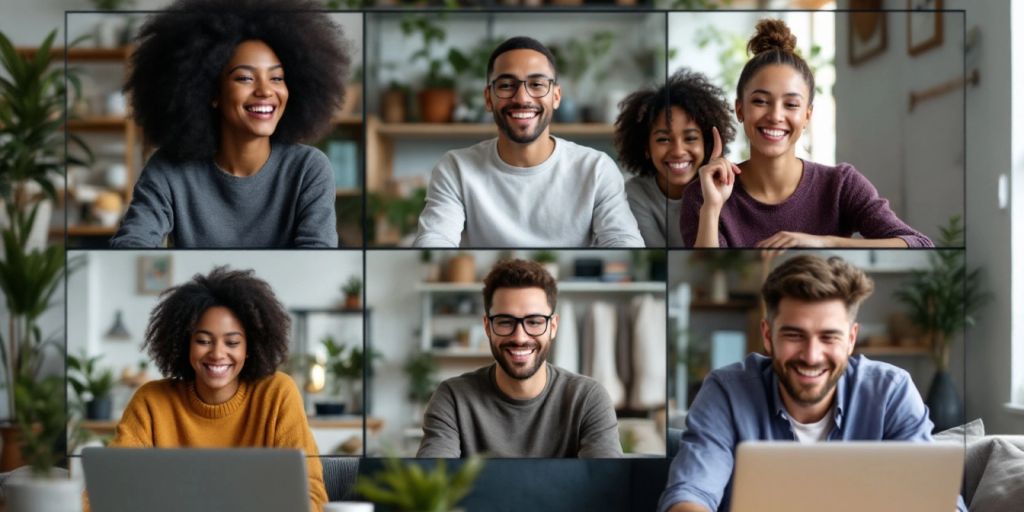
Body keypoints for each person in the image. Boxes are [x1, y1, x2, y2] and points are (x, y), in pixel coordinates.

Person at [658, 254, 965, 512]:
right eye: (794, 335)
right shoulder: (726, 392)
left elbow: (938, 501)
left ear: (851, 339)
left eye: (829, 337)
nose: (811, 355)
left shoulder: (890, 392)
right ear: (767, 336)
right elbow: (691, 494)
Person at [110, 0, 350, 248]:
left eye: (277, 78)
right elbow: (131, 246)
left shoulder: (307, 169)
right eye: (245, 77)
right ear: (210, 92)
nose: (266, 91)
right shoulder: (169, 169)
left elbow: (318, 260)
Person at [681, 19, 933, 248]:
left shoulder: (841, 185)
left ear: (807, 117)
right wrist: (712, 209)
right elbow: (703, 277)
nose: (775, 116)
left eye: (791, 104)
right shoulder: (703, 194)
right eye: (760, 101)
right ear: (740, 109)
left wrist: (824, 243)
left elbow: (920, 244)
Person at [104, 267, 327, 511]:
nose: (218, 354)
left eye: (232, 342)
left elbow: (311, 494)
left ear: (249, 347)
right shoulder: (151, 401)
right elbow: (109, 489)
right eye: (203, 341)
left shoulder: (277, 393)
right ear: (184, 343)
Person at [413, 36, 644, 248]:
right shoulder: (455, 168)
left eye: (536, 84)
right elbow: (435, 238)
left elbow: (623, 240)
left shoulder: (596, 169)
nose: (522, 97)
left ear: (556, 96)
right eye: (506, 85)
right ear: (488, 98)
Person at [417, 259, 623, 457]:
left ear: (553, 327)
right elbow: (432, 482)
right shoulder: (453, 398)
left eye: (534, 322)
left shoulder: (587, 398)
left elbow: (606, 486)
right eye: (505, 322)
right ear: (488, 327)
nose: (519, 337)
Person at [614, 69, 735, 247]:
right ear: (646, 147)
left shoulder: (727, 186)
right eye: (663, 139)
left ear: (707, 143)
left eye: (691, 138)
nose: (678, 151)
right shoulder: (635, 194)